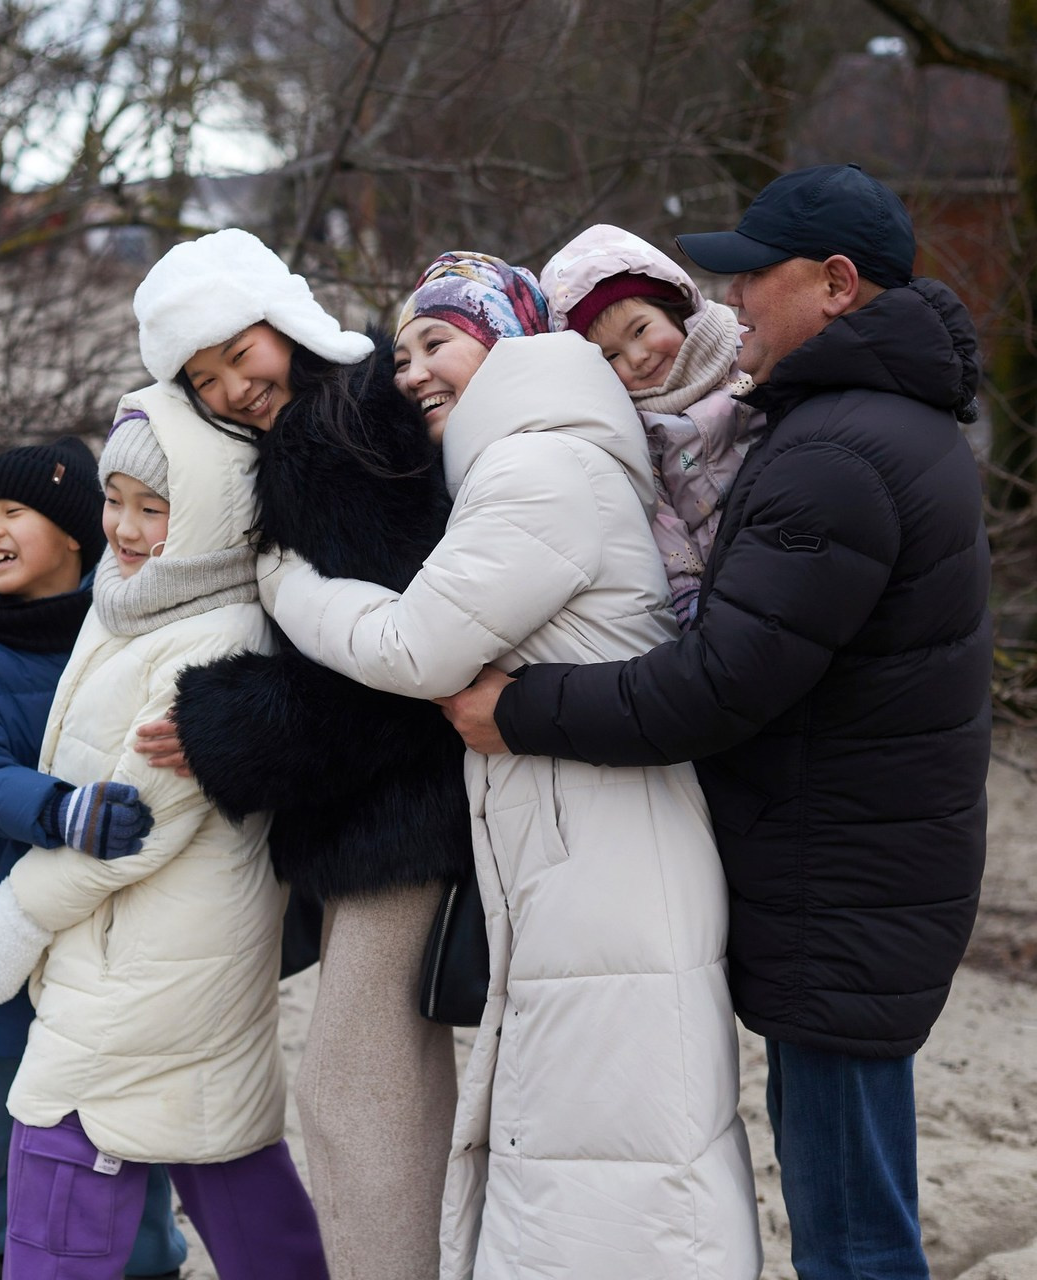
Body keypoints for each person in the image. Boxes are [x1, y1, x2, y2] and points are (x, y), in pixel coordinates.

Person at [437, 165, 992, 1280]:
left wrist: (518, 708)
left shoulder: (835, 451)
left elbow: (713, 684)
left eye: (752, 275)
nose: (728, 299)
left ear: (834, 285)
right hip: (856, 873)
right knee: (850, 1207)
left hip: (836, 885)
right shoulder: (875, 422)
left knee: (850, 1237)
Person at [270, 251, 761, 1279]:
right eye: (399, 352)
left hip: (606, 868)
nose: (410, 372)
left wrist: (286, 582)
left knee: (614, 1174)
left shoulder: (538, 468)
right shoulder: (540, 457)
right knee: (592, 1169)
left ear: (505, 338)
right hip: (583, 855)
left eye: (436, 341)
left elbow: (414, 647)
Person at [132, 228, 473, 1280]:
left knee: (349, 1077)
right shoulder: (354, 410)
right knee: (386, 1068)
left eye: (240, 353)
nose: (234, 386)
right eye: (204, 378)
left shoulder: (329, 444)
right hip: (401, 804)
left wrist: (220, 724)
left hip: (400, 811)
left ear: (283, 318)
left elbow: (383, 686)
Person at [0, 402, 330, 1279]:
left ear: (211, 512)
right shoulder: (138, 602)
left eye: (152, 508)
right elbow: (80, 737)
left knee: (63, 1133)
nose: (123, 526)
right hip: (170, 948)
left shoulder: (216, 635)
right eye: (114, 499)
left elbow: (137, 819)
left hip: (149, 954)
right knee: (221, 1146)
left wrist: (15, 917)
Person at [0, 438, 187, 1280]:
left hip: (98, 925)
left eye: (12, 513)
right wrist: (59, 809)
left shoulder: (124, 633)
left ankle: (149, 1262)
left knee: (114, 1115)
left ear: (76, 534)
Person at [540, 223, 762, 628]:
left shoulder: (740, 352)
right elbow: (657, 514)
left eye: (641, 330)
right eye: (611, 357)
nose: (638, 357)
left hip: (775, 529)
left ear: (674, 306)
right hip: (715, 573)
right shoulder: (630, 425)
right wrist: (686, 592)